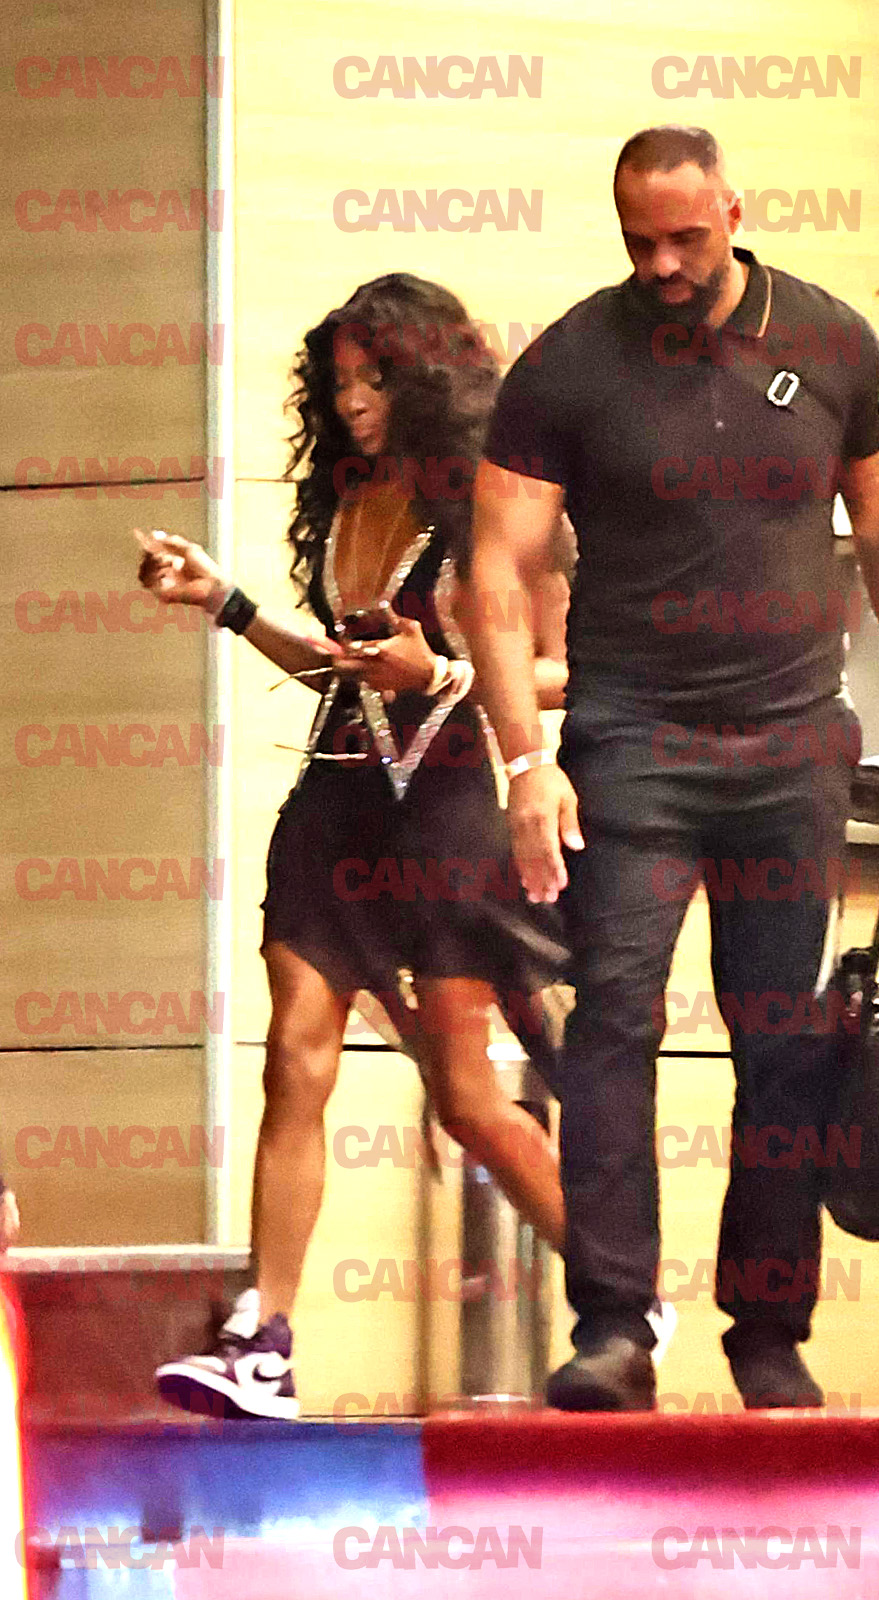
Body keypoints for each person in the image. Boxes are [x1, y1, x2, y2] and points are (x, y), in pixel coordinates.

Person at [463, 126, 879, 1411]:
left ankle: (769, 1335)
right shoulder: (572, 364)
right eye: (640, 242)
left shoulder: (833, 342)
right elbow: (495, 571)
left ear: (737, 211)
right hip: (632, 740)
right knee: (612, 1023)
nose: (664, 265)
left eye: (686, 239)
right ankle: (615, 1325)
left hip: (791, 744)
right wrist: (525, 758)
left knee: (781, 1038)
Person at [136, 273, 579, 1419]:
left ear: (425, 375)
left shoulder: (494, 506)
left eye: (374, 378)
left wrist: (442, 670)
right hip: (334, 810)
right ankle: (265, 1338)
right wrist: (227, 603)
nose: (353, 402)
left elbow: (564, 670)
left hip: (444, 813)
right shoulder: (347, 501)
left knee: (467, 1098)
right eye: (338, 383)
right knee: (294, 1055)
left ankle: (613, 1285)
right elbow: (339, 673)